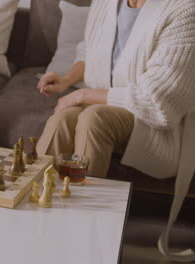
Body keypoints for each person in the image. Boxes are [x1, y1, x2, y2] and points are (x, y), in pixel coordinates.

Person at [36, 0, 195, 261]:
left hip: (155, 122)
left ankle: (83, 238)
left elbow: (159, 101)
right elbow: (91, 52)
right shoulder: (107, 2)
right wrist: (66, 80)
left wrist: (85, 94)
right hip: (109, 104)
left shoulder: (184, 10)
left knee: (93, 118)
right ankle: (37, 220)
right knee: (62, 119)